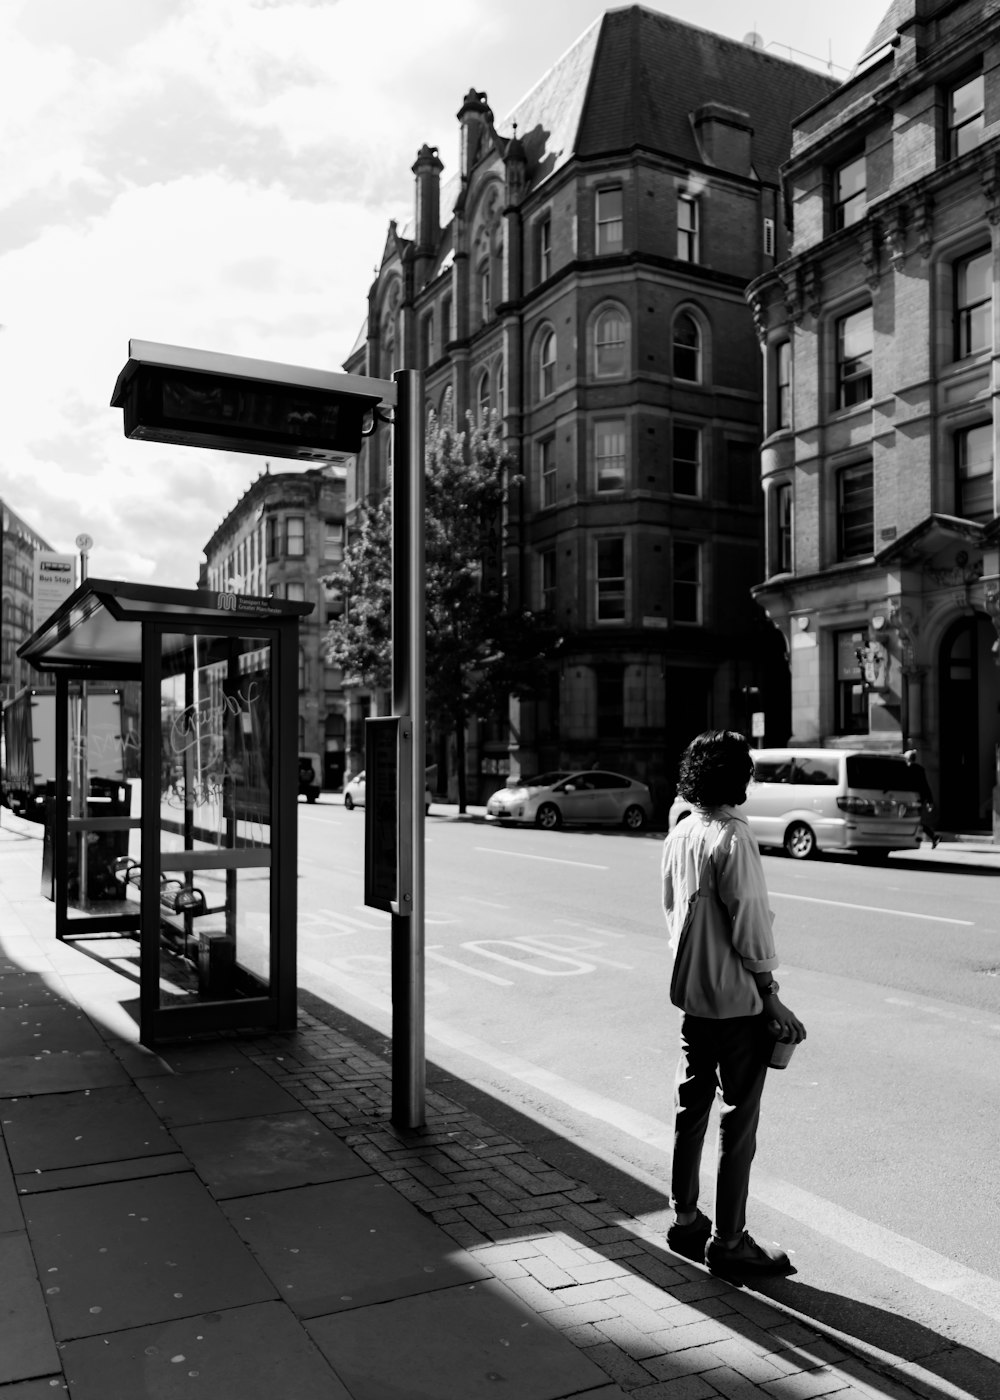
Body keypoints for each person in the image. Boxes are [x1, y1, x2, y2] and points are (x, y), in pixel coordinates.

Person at [661, 730, 807, 1279]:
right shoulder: (732, 836)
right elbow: (749, 923)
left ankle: (684, 1219)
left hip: (693, 997)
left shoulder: (681, 833)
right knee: (738, 1121)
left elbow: (675, 914)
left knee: (690, 1108)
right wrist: (772, 996)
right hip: (737, 1003)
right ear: (737, 777)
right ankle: (729, 1242)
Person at [903, 749, 937, 847]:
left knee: (911, 819)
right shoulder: (920, 769)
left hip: (909, 798)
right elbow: (925, 785)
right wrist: (929, 800)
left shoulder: (906, 769)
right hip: (918, 798)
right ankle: (932, 836)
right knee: (915, 819)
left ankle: (932, 836)